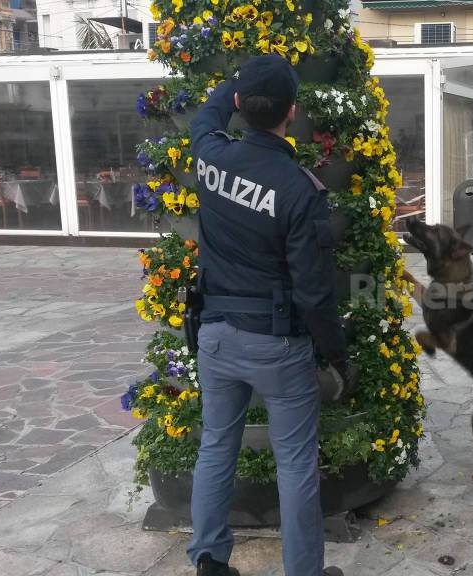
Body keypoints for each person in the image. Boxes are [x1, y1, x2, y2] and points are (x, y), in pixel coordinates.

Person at [185, 54, 355, 576]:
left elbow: (204, 117)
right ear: (292, 111)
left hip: (215, 336)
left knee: (216, 447)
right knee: (296, 463)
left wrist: (234, 82)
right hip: (277, 345)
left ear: (239, 105)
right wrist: (337, 356)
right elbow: (314, 289)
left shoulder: (211, 155)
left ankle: (210, 561)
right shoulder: (299, 188)